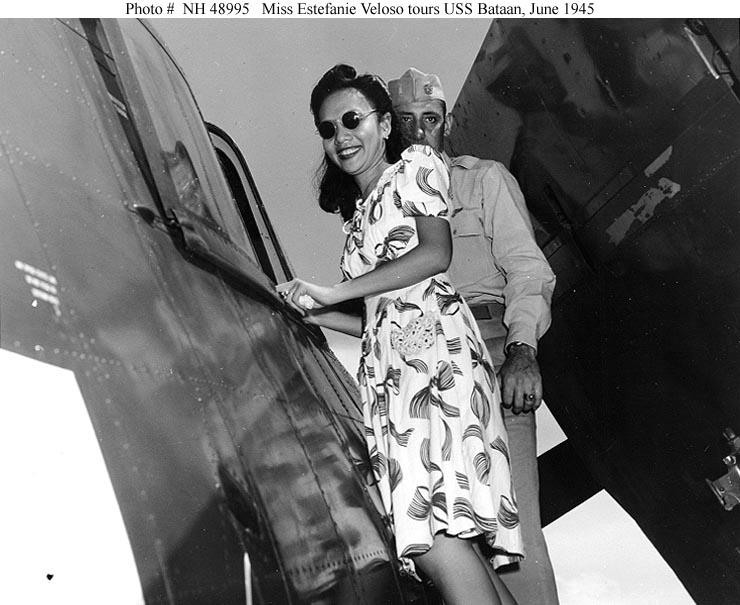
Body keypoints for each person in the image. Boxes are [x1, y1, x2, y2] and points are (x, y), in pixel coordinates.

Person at [277, 64, 523, 605]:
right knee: (450, 539)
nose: (340, 136)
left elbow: (436, 254)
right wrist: (315, 312)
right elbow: (377, 317)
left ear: (385, 125)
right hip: (393, 379)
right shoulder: (358, 218)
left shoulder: (415, 166)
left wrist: (333, 291)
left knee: (432, 537)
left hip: (435, 367)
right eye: (327, 129)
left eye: (352, 120)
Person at [388, 67, 559, 604]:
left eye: (430, 119)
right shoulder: (384, 204)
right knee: (447, 533)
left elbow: (528, 270)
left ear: (446, 123)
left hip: (490, 354)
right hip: (421, 370)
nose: (419, 132)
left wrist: (522, 351)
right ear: (390, 128)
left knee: (514, 531)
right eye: (406, 121)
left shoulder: (483, 180)